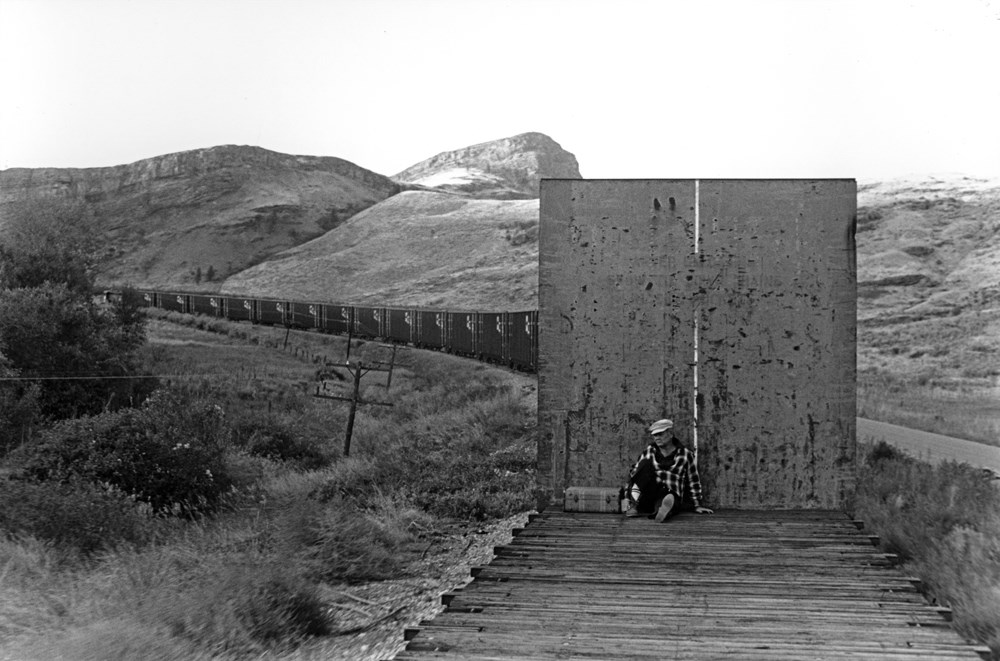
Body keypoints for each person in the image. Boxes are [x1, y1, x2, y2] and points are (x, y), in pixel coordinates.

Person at [624, 418, 714, 521]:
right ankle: (634, 506)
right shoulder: (649, 451)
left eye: (660, 434)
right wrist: (627, 499)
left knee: (669, 499)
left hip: (671, 493)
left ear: (670, 434)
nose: (657, 438)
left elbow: (693, 480)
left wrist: (697, 505)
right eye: (655, 435)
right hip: (650, 493)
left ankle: (661, 512)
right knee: (644, 464)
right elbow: (634, 476)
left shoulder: (685, 454)